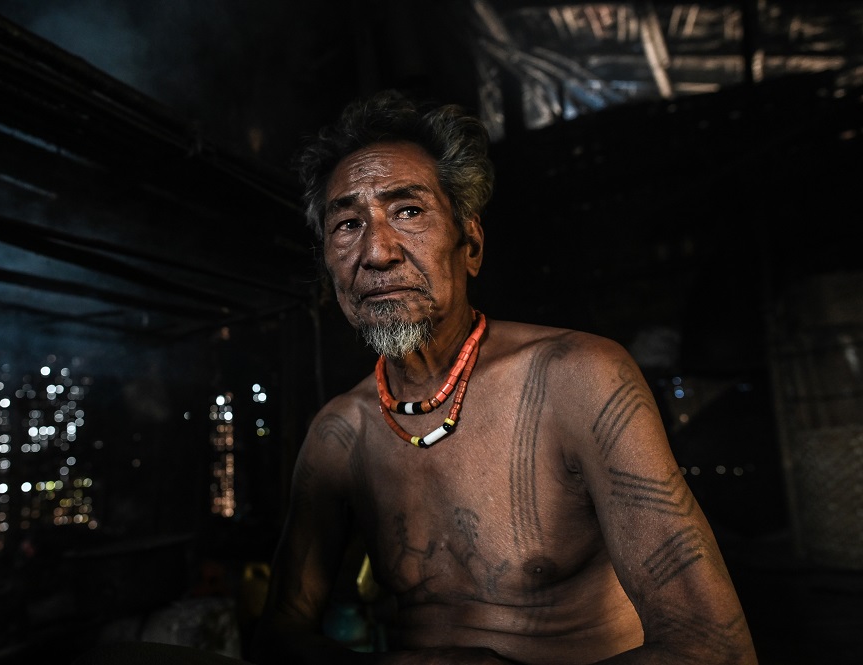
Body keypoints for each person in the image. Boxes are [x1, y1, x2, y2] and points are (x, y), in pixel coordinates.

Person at [249, 89, 758, 665]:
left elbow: (717, 651)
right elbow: (277, 638)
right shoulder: (339, 436)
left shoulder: (579, 380)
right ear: (328, 268)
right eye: (347, 223)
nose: (377, 251)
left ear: (471, 245)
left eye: (409, 211)